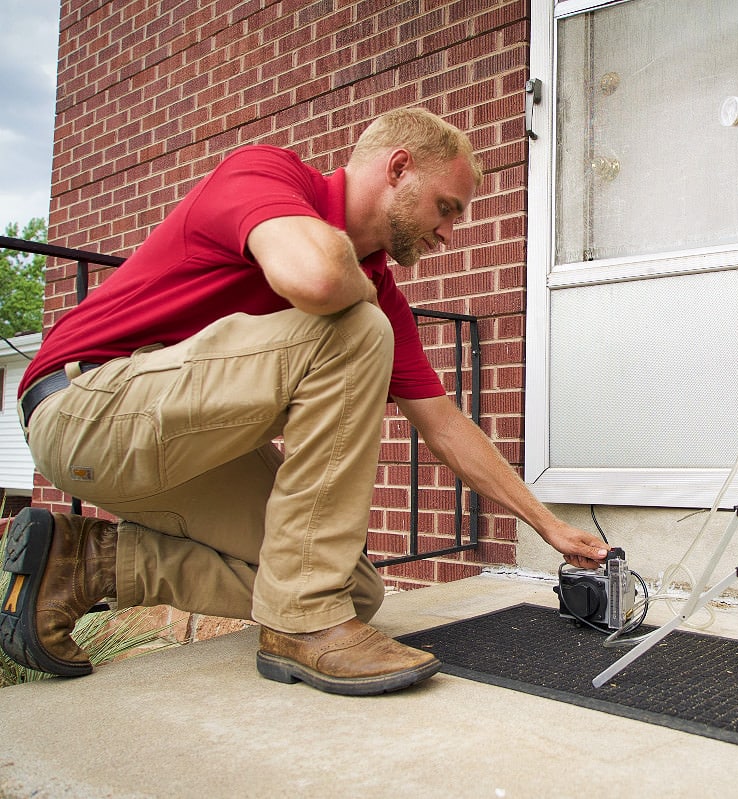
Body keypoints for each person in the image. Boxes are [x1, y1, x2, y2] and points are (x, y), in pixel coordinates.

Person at [0, 107, 608, 696]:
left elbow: (444, 425)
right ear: (397, 168)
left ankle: (90, 562)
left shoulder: (376, 291)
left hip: (167, 446)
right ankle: (301, 623)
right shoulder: (265, 174)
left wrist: (550, 527)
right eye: (446, 207)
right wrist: (366, 300)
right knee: (359, 329)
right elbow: (315, 278)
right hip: (85, 409)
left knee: (352, 592)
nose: (449, 232)